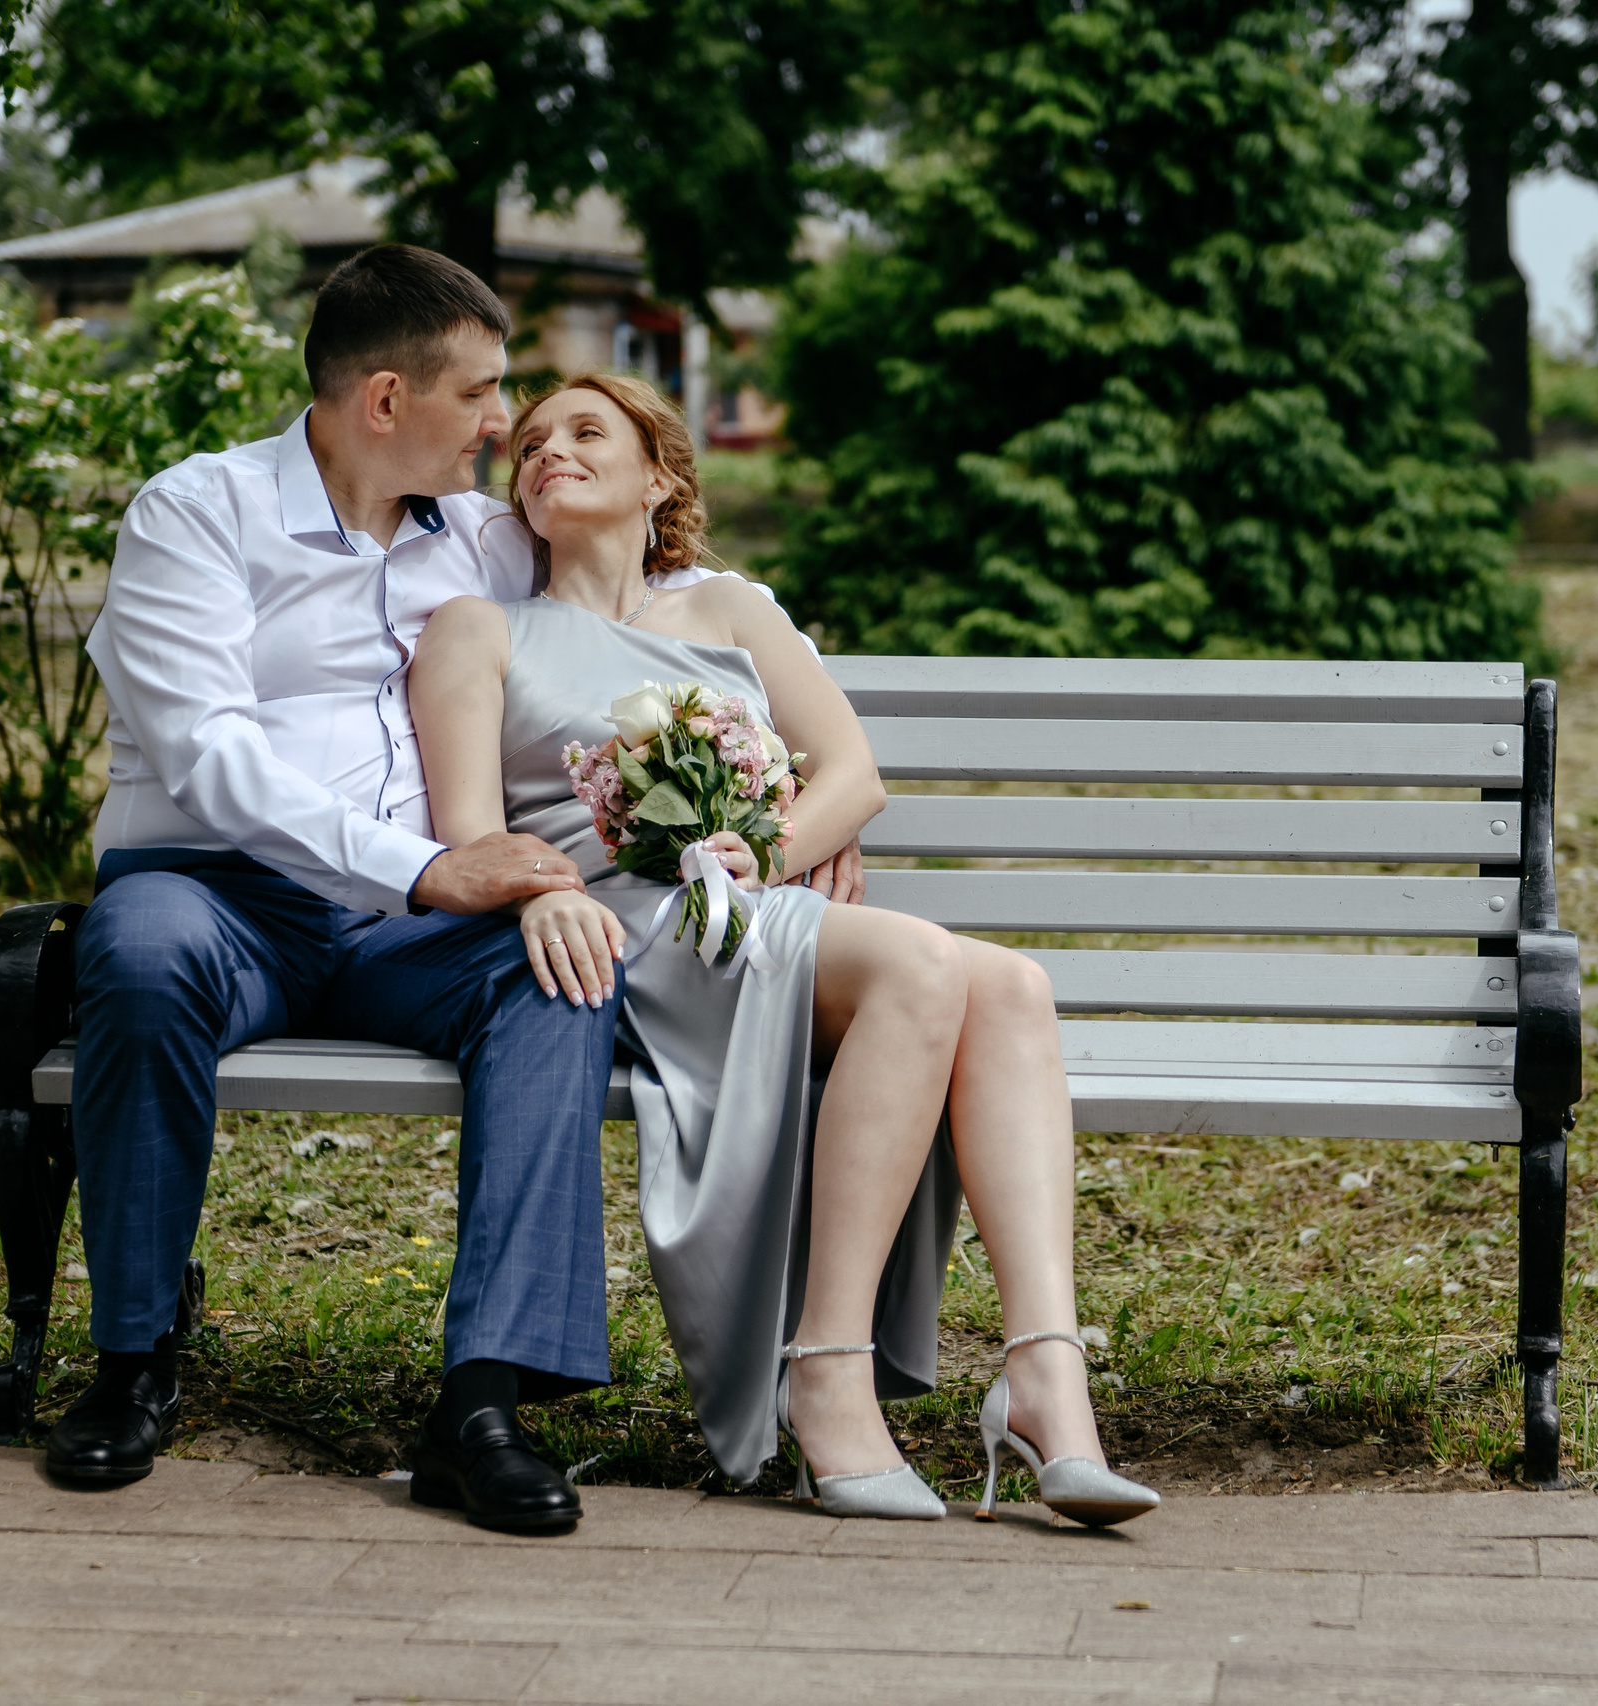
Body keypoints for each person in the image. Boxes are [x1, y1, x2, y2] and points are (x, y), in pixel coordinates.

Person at [407, 372, 1159, 1525]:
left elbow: (852, 771)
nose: (548, 449)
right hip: (620, 929)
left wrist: (768, 844)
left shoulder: (730, 612)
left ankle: (1046, 1375)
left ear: (658, 474)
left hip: (739, 905)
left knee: (1012, 983)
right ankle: (826, 1369)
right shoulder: (480, 629)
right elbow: (469, 835)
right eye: (533, 441)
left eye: (586, 431)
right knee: (922, 962)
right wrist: (538, 892)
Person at [55, 245, 612, 1536]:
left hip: (402, 927)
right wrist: (422, 862)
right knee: (136, 962)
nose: (499, 424)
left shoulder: (481, 538)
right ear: (382, 401)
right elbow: (206, 753)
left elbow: (668, 595)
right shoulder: (196, 513)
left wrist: (788, 781)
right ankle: (134, 1357)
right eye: (478, 395)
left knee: (563, 974)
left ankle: (480, 1401)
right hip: (211, 895)